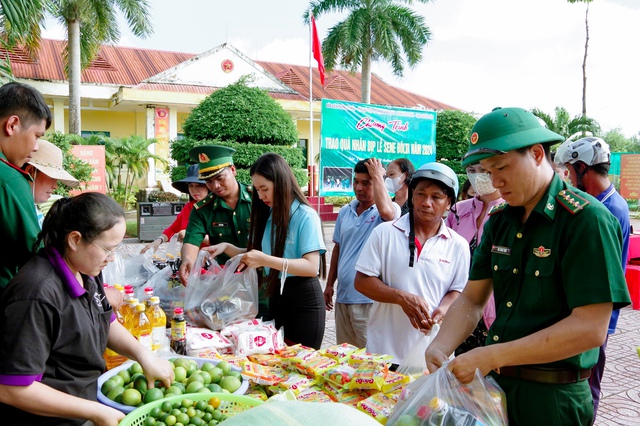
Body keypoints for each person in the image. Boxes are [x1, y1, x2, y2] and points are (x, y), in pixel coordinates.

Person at [424, 107, 630, 425]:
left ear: (536, 153)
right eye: (486, 172)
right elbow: (472, 298)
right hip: (496, 392)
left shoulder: (585, 220)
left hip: (553, 400)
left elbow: (590, 328)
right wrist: (441, 344)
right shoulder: (499, 222)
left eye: (501, 167)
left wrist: (492, 355)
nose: (494, 181)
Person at [0, 192, 174, 425]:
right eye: (108, 249)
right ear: (74, 240)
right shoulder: (36, 295)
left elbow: (105, 318)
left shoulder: (86, 270)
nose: (112, 258)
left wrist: (144, 356)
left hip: (87, 402)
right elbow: (11, 388)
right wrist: (94, 412)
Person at [205, 153, 327, 349]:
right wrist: (228, 248)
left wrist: (265, 260)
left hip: (303, 301)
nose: (260, 196)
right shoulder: (271, 214)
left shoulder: (305, 215)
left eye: (265, 189)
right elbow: (262, 255)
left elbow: (311, 267)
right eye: (257, 190)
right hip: (278, 298)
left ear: (281, 183)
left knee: (304, 367)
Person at [354, 162, 469, 366]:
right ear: (412, 194)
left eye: (436, 197)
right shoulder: (385, 233)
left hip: (432, 354)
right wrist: (401, 298)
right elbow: (362, 282)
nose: (426, 202)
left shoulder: (458, 245)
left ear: (449, 202)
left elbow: (457, 291)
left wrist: (443, 310)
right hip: (384, 354)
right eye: (421, 194)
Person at [554, 136, 630, 420]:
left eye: (570, 171)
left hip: (597, 312)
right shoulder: (602, 202)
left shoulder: (608, 209)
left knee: (588, 382)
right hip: (587, 309)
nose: (568, 178)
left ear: (582, 168)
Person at [324, 158, 400, 348]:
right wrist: (329, 285)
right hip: (343, 298)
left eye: (366, 183)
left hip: (368, 301)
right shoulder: (345, 211)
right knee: (345, 360)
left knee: (372, 361)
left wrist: (378, 176)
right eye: (356, 181)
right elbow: (338, 248)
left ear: (379, 183)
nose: (359, 187)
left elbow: (388, 214)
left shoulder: (388, 211)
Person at [446, 162, 503, 355]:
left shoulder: (510, 212)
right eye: (472, 171)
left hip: (495, 311)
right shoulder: (458, 212)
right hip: (456, 306)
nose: (478, 176)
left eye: (484, 171)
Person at [0, 82, 52, 289]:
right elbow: (35, 254)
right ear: (12, 125)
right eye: (37, 136)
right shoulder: (9, 179)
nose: (36, 147)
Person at [179, 145, 252, 283]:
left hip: (262, 274)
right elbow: (191, 240)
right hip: (225, 279)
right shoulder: (203, 209)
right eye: (209, 181)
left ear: (233, 170)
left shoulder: (258, 199)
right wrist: (188, 260)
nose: (215, 186)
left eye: (220, 178)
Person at [141, 164, 210, 254]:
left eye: (199, 185)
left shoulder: (217, 209)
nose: (194, 190)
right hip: (191, 260)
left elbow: (222, 240)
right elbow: (173, 229)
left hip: (213, 260)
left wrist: (191, 234)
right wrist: (158, 241)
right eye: (191, 185)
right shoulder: (189, 207)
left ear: (209, 186)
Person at [23, 139, 80, 227]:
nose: (55, 186)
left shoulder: (31, 209)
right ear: (30, 171)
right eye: (52, 178)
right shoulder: (15, 211)